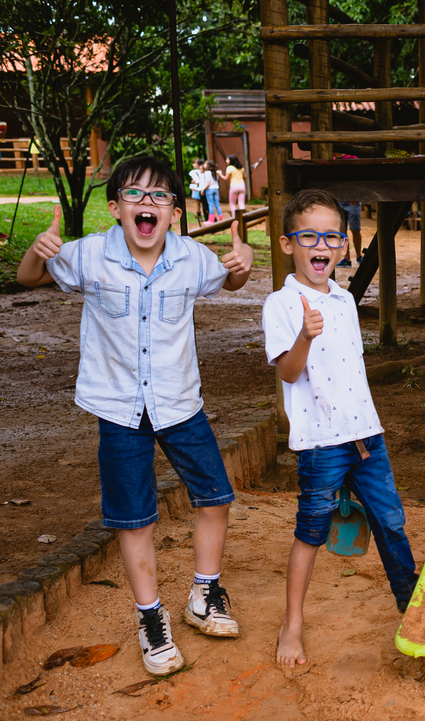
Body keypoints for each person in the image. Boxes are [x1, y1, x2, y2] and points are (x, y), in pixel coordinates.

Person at [16, 156, 254, 675]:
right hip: (118, 407)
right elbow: (28, 277)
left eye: (160, 196)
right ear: (116, 206)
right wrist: (36, 254)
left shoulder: (192, 259)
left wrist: (242, 268)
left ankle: (204, 593)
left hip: (180, 404)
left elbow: (229, 282)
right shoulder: (88, 255)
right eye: (135, 194)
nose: (147, 203)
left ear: (175, 210)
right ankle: (150, 617)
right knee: (134, 517)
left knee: (216, 497)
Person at [263, 188, 419, 667]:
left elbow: (352, 372)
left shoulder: (346, 302)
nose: (322, 246)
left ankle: (412, 611)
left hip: (366, 436)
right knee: (311, 531)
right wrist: (305, 337)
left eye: (332, 237)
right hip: (319, 444)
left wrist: (367, 425)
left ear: (344, 246)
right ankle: (292, 625)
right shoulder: (281, 303)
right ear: (290, 244)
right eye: (309, 236)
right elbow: (289, 373)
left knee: (392, 522)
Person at [188, 158, 210, 226]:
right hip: (197, 188)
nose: (193, 164)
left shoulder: (202, 171)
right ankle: (199, 215)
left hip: (201, 188)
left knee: (203, 202)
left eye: (194, 163)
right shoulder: (193, 172)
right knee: (197, 202)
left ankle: (206, 215)